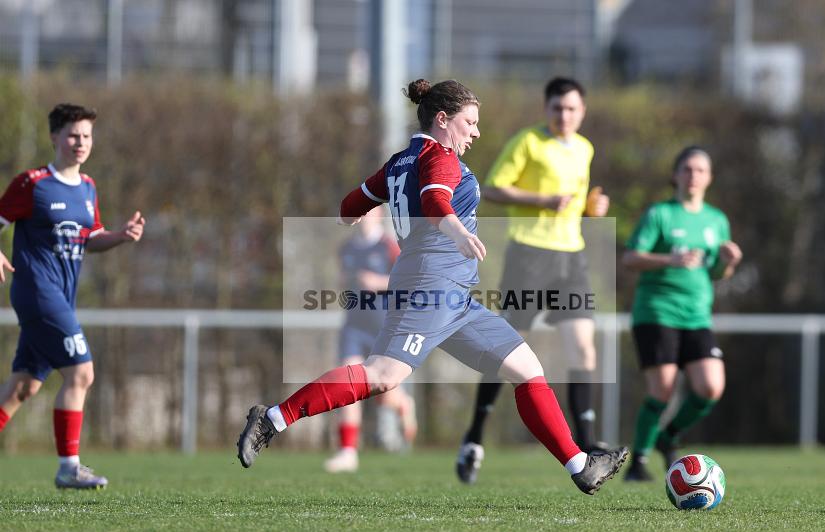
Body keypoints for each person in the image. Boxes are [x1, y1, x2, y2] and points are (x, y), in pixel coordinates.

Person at [238, 79, 628, 495]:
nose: (476, 132)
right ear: (443, 119)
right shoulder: (439, 157)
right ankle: (273, 418)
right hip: (431, 285)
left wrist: (350, 217)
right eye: (470, 123)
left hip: (454, 296)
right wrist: (457, 232)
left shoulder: (400, 160)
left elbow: (351, 205)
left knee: (527, 369)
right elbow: (435, 201)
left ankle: (581, 465)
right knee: (383, 374)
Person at [456, 76, 612, 484]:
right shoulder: (527, 142)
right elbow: (492, 188)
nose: (564, 115)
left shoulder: (585, 148)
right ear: (546, 109)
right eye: (557, 108)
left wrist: (591, 210)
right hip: (529, 257)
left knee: (584, 348)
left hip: (571, 260)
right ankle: (474, 437)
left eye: (572, 108)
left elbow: (574, 208)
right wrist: (542, 200)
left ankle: (588, 443)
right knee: (506, 353)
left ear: (582, 112)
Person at [0, 103, 145, 489]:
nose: (80, 142)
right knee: (82, 372)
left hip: (61, 298)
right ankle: (69, 467)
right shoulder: (32, 184)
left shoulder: (87, 188)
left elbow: (90, 239)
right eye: (73, 135)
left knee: (23, 387)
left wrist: (120, 236)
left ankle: (68, 466)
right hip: (37, 292)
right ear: (54, 137)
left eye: (86, 136)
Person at [620, 146, 742, 482]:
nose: (693, 176)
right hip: (657, 311)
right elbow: (630, 258)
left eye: (700, 170)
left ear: (709, 177)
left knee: (711, 387)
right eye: (687, 169)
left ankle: (668, 435)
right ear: (675, 175)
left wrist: (728, 263)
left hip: (697, 315)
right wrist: (669, 260)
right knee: (662, 389)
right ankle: (638, 463)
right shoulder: (660, 214)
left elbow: (715, 273)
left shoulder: (716, 220)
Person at [324, 207, 417, 473]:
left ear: (379, 215)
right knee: (347, 384)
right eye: (360, 212)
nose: (363, 216)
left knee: (384, 396)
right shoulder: (346, 248)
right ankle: (347, 452)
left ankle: (403, 403)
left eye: (368, 212)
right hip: (353, 326)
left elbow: (407, 282)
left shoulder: (389, 246)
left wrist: (379, 282)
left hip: (382, 327)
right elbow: (344, 282)